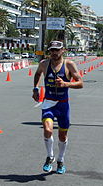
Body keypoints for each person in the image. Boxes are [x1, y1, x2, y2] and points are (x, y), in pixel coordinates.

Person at [32, 41, 83, 174]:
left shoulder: (69, 64)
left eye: (57, 50)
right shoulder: (44, 64)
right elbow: (37, 74)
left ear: (63, 50)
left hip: (63, 105)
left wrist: (66, 84)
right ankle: (50, 157)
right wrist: (36, 89)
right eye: (52, 50)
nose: (54, 53)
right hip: (48, 102)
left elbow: (80, 83)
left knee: (62, 135)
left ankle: (60, 160)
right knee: (47, 130)